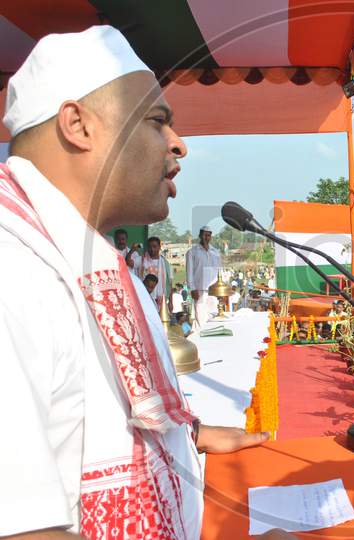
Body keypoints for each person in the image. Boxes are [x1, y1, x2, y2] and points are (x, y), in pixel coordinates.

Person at [0, 26, 284, 539]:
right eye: (157, 121)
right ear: (78, 125)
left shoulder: (84, 254)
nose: (178, 145)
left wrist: (186, 435)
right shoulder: (12, 271)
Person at [186, 225, 221, 328]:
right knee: (201, 318)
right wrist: (192, 289)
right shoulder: (192, 252)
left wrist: (220, 289)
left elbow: (219, 271)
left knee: (214, 315)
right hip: (199, 290)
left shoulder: (215, 252)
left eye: (209, 235)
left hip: (213, 290)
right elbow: (189, 272)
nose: (206, 237)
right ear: (200, 236)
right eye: (205, 235)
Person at [139, 235, 172, 309]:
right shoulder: (141, 260)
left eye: (154, 246)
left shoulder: (165, 263)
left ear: (159, 247)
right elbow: (129, 262)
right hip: (144, 298)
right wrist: (133, 250)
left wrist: (171, 302)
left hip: (160, 299)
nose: (152, 249)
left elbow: (169, 284)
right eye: (150, 247)